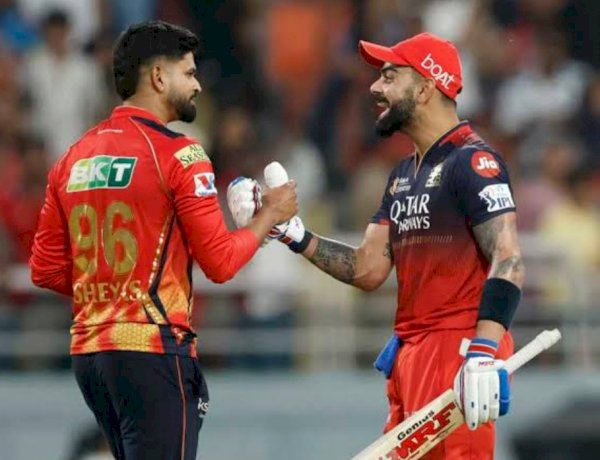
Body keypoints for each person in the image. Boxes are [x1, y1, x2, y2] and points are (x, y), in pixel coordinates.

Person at [229, 32, 523, 459]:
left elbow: (508, 258)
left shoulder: (473, 161)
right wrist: (291, 233)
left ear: (425, 88)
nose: (374, 87)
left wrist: (483, 352)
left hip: (456, 351)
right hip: (409, 353)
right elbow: (367, 268)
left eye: (389, 76)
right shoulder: (402, 174)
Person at [29, 20, 297, 460]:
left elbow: (45, 270)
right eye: (188, 73)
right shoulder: (181, 154)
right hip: (152, 350)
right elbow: (220, 263)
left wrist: (113, 287)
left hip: (90, 355)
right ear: (157, 76)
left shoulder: (72, 158)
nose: (197, 86)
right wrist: (270, 215)